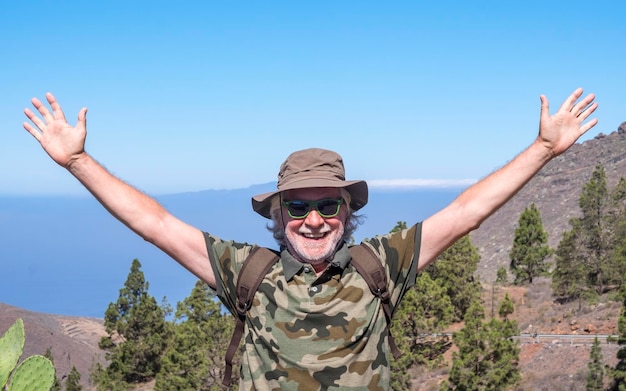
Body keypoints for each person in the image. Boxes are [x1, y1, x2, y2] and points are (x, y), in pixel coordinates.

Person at [22, 88, 598, 390]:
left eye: (329, 205)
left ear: (348, 212)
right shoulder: (249, 272)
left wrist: (545, 149)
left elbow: (467, 211)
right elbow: (157, 225)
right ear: (278, 214)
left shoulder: (382, 266)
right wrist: (78, 161)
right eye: (299, 206)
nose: (314, 219)